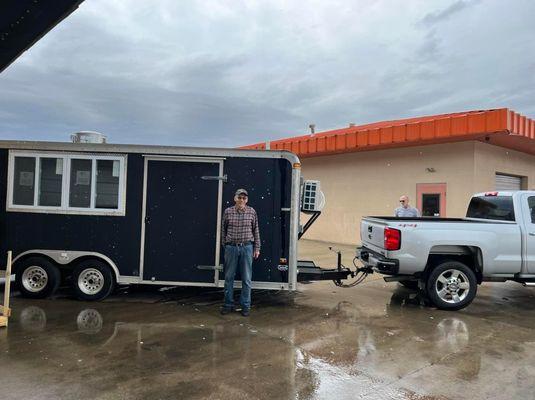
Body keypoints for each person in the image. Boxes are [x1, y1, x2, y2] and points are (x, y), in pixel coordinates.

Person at [221, 188, 261, 317]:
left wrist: (257, 248)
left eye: (244, 198)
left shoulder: (252, 212)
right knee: (228, 278)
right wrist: (225, 245)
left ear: (247, 200)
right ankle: (228, 305)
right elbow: (223, 230)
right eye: (239, 197)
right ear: (235, 198)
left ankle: (245, 306)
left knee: (247, 279)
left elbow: (256, 230)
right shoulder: (228, 211)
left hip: (247, 248)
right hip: (231, 248)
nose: (241, 200)